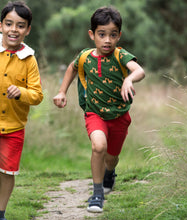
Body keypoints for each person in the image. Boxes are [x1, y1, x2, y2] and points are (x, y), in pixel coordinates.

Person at [53, 6, 145, 213]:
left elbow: (139, 71)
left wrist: (129, 79)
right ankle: (97, 194)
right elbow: (72, 68)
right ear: (92, 34)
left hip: (119, 116)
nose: (107, 40)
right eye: (102, 34)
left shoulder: (121, 55)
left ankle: (110, 173)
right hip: (94, 113)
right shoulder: (85, 57)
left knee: (111, 157)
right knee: (98, 147)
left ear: (119, 36)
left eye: (113, 35)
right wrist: (61, 92)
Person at [0, 1, 43, 219]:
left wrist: (22, 93)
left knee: (7, 171)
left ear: (27, 29)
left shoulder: (29, 59)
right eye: (9, 24)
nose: (13, 30)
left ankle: (1, 212)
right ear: (1, 26)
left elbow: (37, 95)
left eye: (20, 25)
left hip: (14, 126)